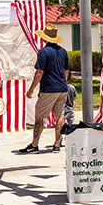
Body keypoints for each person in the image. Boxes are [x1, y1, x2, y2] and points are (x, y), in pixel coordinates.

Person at [21, 25, 69, 153]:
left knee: (39, 117)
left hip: (49, 88)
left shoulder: (44, 52)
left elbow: (39, 72)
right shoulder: (63, 51)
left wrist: (31, 89)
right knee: (60, 116)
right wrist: (64, 82)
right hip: (62, 88)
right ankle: (57, 144)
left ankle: (35, 144)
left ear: (44, 38)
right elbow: (66, 70)